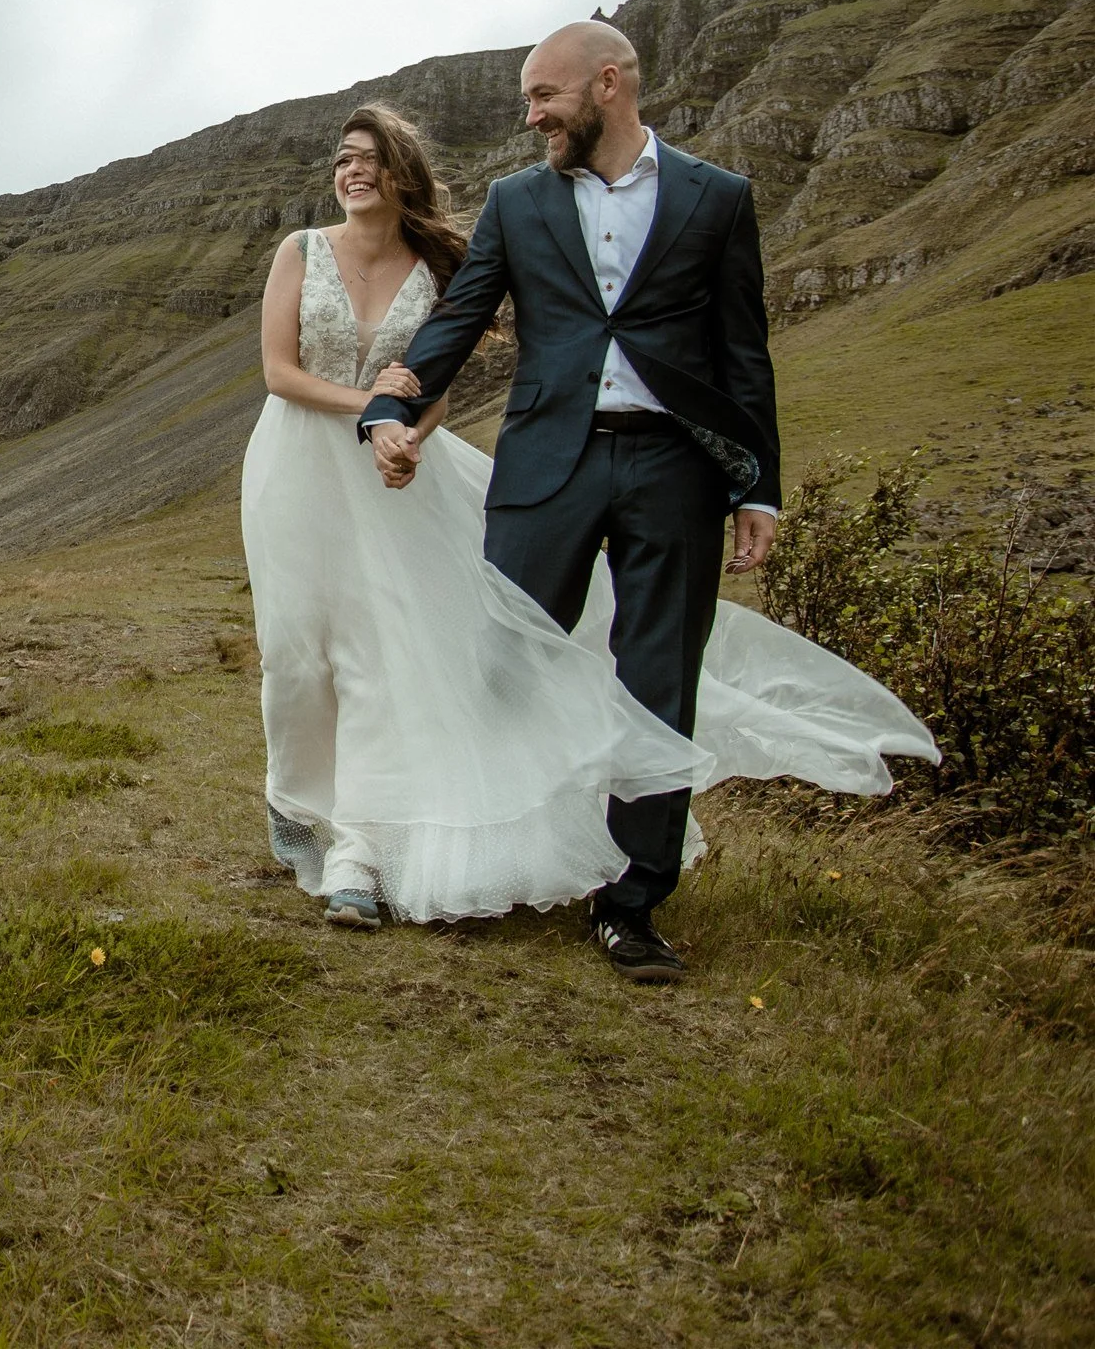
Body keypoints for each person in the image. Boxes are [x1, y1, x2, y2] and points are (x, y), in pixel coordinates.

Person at [242, 83, 937, 968]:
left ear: (605, 84)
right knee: (401, 659)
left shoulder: (714, 197)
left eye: (543, 95)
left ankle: (596, 895)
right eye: (341, 158)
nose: (531, 114)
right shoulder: (514, 202)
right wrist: (383, 410)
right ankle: (359, 815)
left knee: (577, 666)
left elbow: (741, 347)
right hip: (451, 470)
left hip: (637, 469)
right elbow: (415, 343)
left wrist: (754, 484)